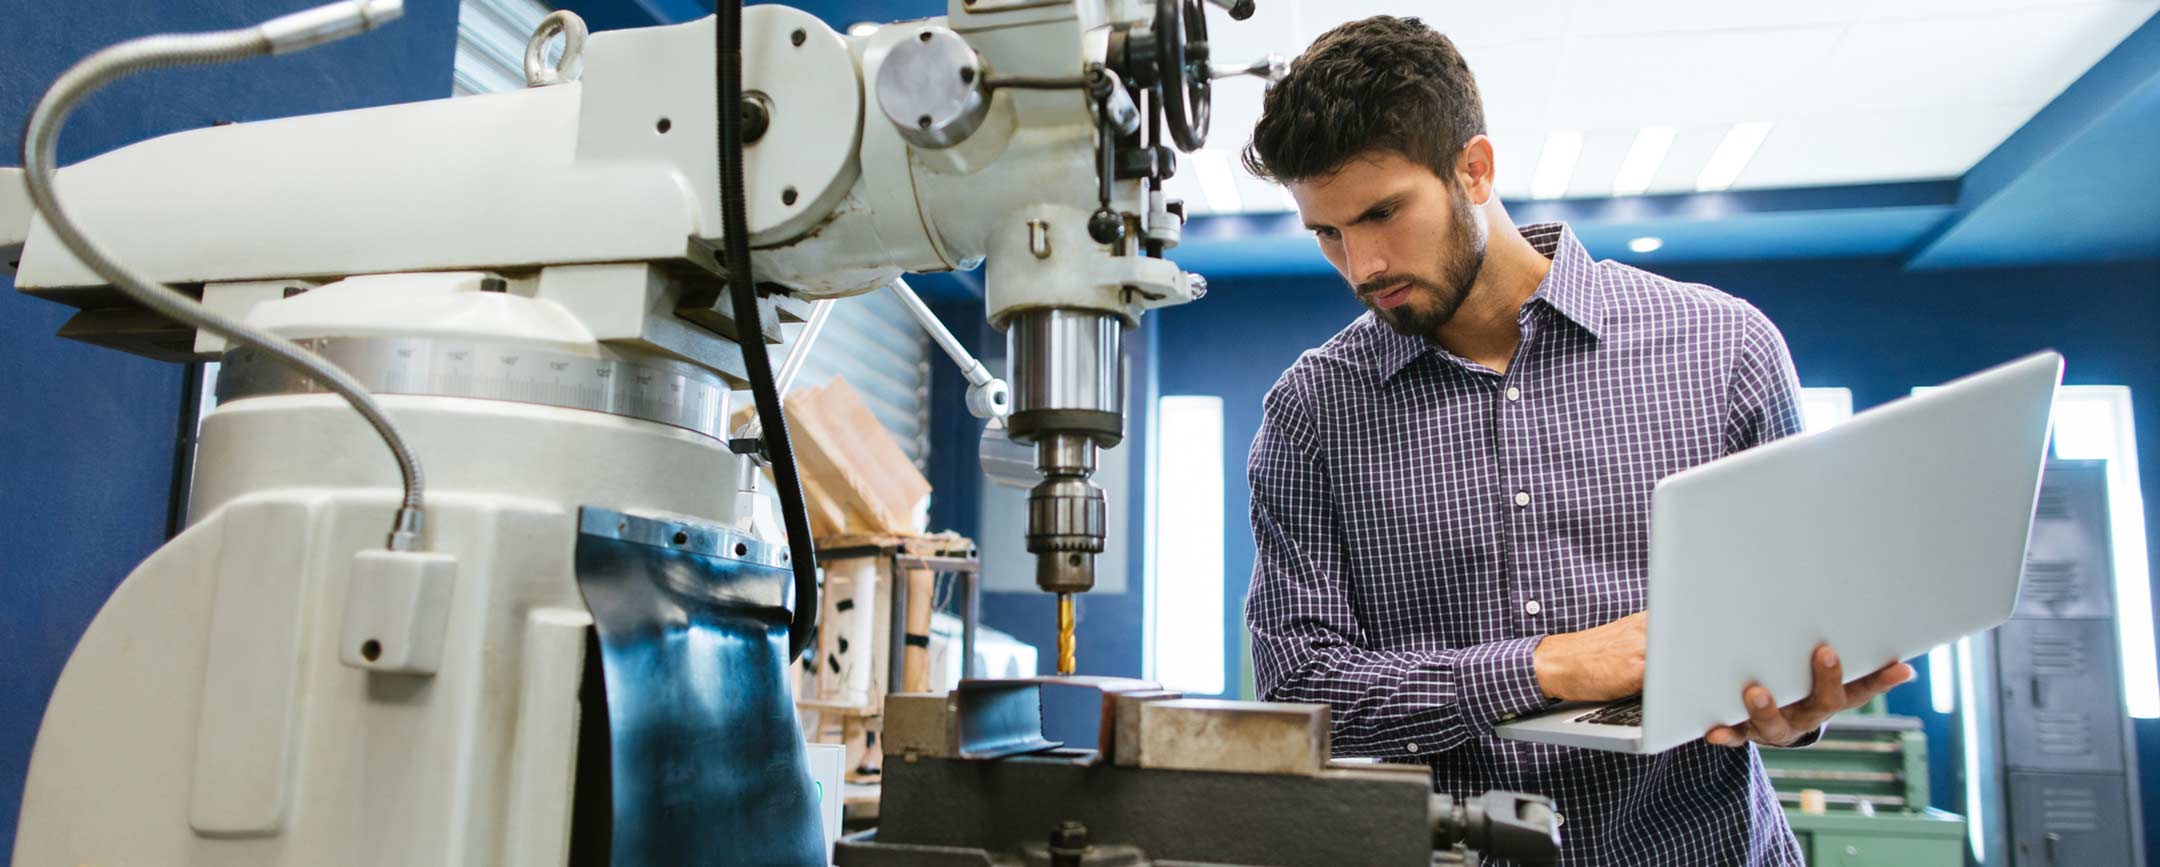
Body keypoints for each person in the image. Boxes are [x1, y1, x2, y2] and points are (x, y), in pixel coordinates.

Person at [1238, 16, 1915, 866]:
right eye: (1327, 233)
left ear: (1473, 169)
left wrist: (1794, 705)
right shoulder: (1312, 412)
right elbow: (1303, 691)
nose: (1362, 264)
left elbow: (1798, 618)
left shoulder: (1725, 348)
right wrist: (1545, 666)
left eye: (1383, 213)